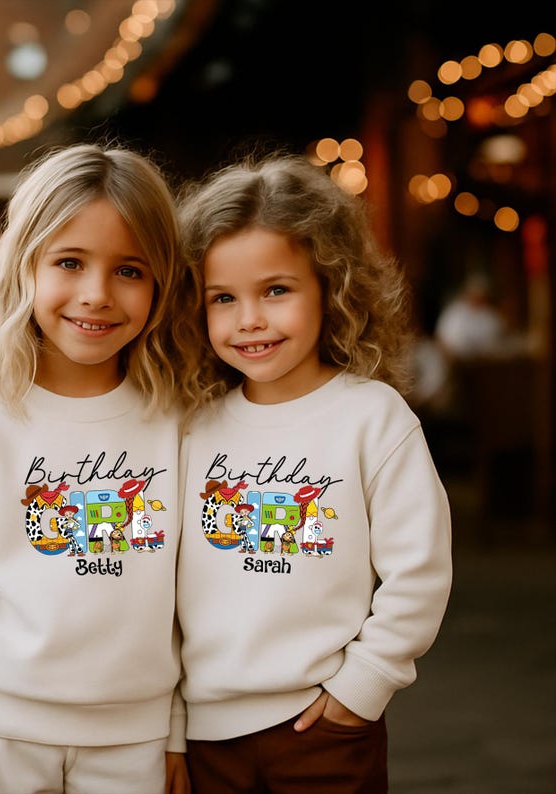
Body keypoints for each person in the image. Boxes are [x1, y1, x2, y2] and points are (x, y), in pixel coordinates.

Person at [0, 143, 191, 794]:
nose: (96, 294)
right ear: (25, 267)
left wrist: (174, 727)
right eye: (69, 262)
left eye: (129, 270)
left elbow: (184, 598)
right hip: (1, 736)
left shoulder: (178, 424)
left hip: (138, 741)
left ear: (162, 283)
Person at [173, 152, 453, 793]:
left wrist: (363, 688)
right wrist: (170, 721)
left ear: (332, 284)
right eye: (223, 298)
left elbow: (420, 570)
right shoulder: (191, 427)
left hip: (324, 728)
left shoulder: (371, 416)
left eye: (276, 290)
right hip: (203, 735)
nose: (249, 319)